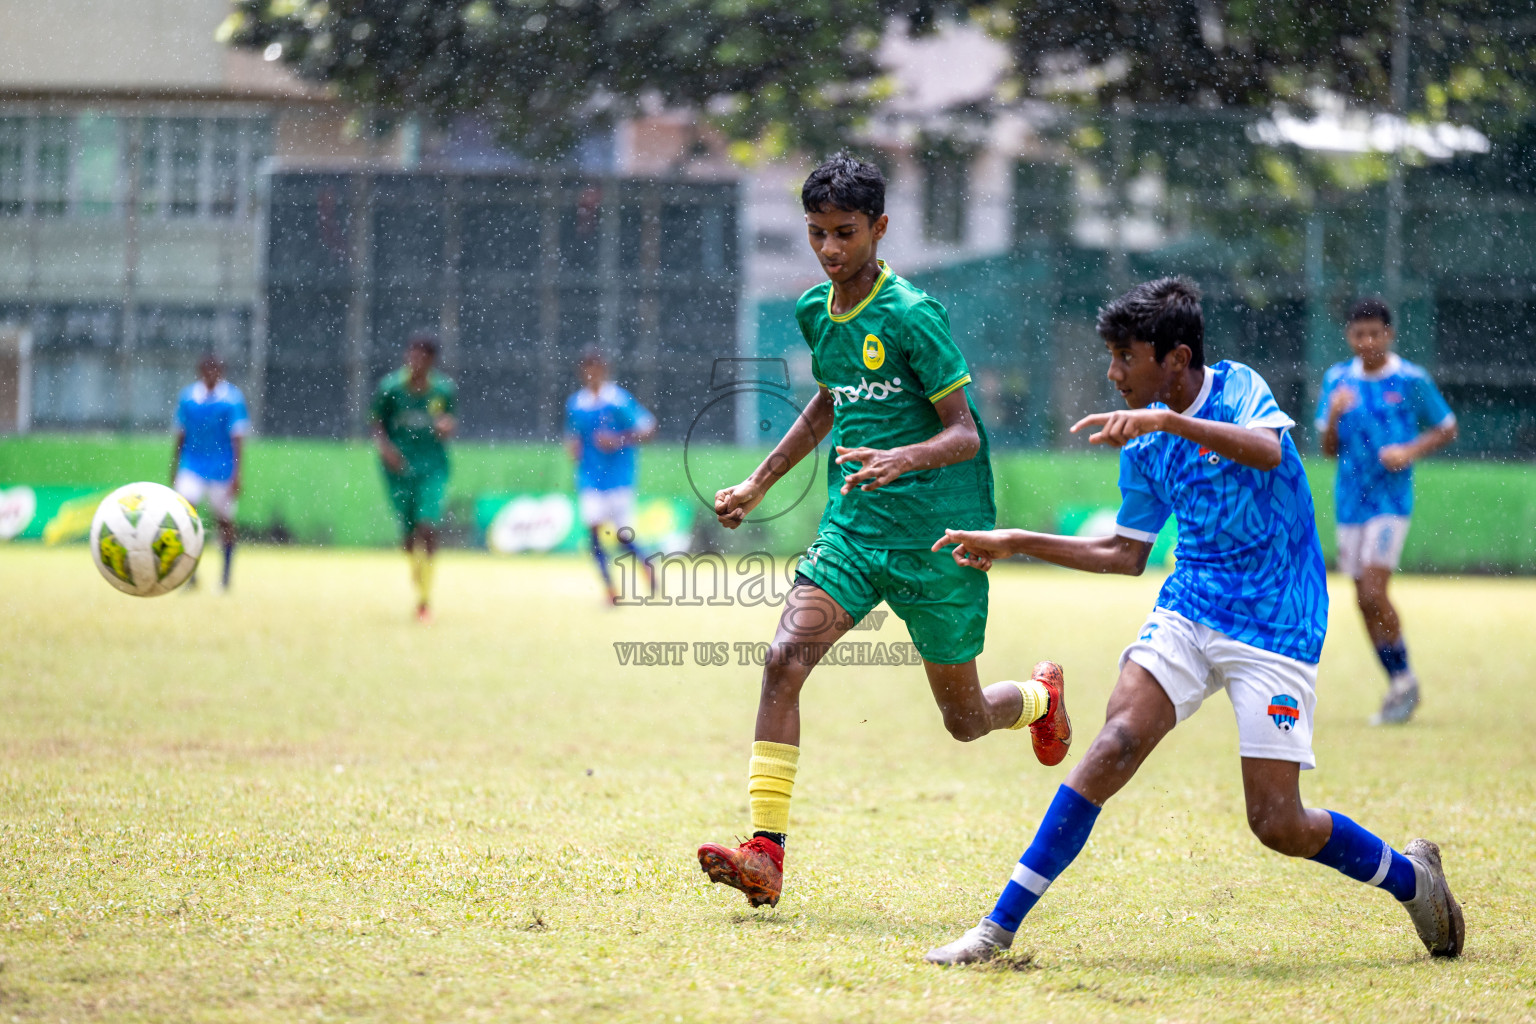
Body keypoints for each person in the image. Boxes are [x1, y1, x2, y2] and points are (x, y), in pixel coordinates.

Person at [925, 277, 1463, 965]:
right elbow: (1124, 554)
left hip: (1277, 620)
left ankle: (1413, 880)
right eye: (1111, 357)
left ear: (1176, 360)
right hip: (1191, 606)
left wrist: (1167, 422)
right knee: (1114, 743)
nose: (1113, 373)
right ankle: (994, 931)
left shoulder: (1237, 389)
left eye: (1126, 357)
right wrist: (1016, 540)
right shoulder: (1143, 441)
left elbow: (1267, 450)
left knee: (1277, 822)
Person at [695, 153, 1071, 910]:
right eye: (816, 234)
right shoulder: (814, 312)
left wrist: (905, 456)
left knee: (964, 722)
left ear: (880, 229)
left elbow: (963, 433)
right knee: (782, 661)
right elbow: (828, 404)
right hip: (855, 532)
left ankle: (1038, 698)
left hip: (939, 539)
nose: (830, 250)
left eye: (845, 233)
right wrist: (759, 482)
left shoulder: (911, 315)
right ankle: (766, 852)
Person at [1315, 299, 1457, 725]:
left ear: (1389, 334)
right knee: (1362, 599)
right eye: (1359, 334)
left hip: (1390, 502)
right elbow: (1327, 450)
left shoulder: (1411, 379)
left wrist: (1409, 451)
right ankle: (1399, 682)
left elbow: (1446, 426)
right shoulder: (1337, 381)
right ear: (1349, 338)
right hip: (1350, 502)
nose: (1368, 342)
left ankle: (1404, 682)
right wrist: (1334, 417)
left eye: (1375, 333)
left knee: (1375, 591)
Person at [371, 333, 456, 622]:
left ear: (431, 361)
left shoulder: (443, 390)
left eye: (422, 356)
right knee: (408, 537)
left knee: (428, 527)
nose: (415, 361)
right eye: (412, 354)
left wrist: (446, 427)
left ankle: (424, 599)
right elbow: (376, 425)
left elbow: (448, 421)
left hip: (432, 467)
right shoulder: (390, 389)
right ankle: (416, 571)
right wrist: (386, 451)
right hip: (399, 469)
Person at [564, 348, 658, 604]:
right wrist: (573, 447)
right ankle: (610, 588)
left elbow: (648, 428)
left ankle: (646, 564)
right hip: (589, 478)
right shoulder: (576, 404)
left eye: (595, 368)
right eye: (587, 368)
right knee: (593, 531)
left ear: (604, 370)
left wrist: (618, 440)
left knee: (622, 535)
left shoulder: (617, 400)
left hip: (618, 477)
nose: (591, 373)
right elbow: (573, 436)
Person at [171, 353, 250, 590]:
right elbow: (180, 434)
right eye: (207, 370)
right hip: (192, 465)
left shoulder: (232, 399)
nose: (211, 374)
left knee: (224, 521)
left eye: (215, 370)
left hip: (222, 468)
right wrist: (174, 468)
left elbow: (238, 438)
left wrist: (237, 474)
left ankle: (225, 577)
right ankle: (189, 573)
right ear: (200, 371)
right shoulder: (188, 398)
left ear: (221, 371)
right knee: (184, 516)